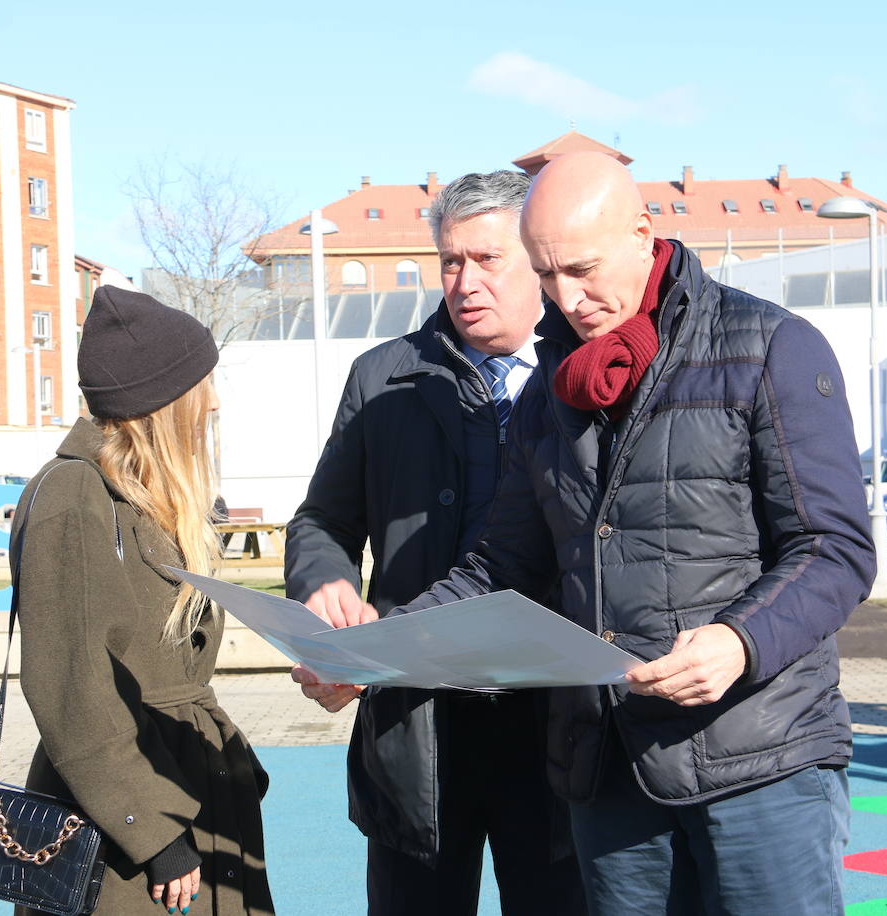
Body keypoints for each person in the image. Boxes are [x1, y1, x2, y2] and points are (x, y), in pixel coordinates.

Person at [324, 152, 877, 915]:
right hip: (607, 770)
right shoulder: (553, 389)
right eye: (548, 276)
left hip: (761, 758)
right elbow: (500, 566)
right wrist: (375, 653)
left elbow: (835, 549)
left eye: (582, 270)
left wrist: (739, 642)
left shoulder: (770, 347)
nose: (567, 299)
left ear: (643, 232)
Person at [285, 170, 586, 915]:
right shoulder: (382, 379)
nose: (465, 281)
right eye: (451, 261)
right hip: (415, 724)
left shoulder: (585, 376)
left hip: (554, 723)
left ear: (537, 264)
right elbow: (319, 521)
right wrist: (324, 581)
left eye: (488, 260)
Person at [13, 284, 273, 916]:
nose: (210, 408)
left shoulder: (148, 499)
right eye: (200, 392)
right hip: (123, 822)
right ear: (163, 403)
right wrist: (151, 832)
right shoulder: (74, 497)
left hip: (189, 786)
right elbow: (70, 687)